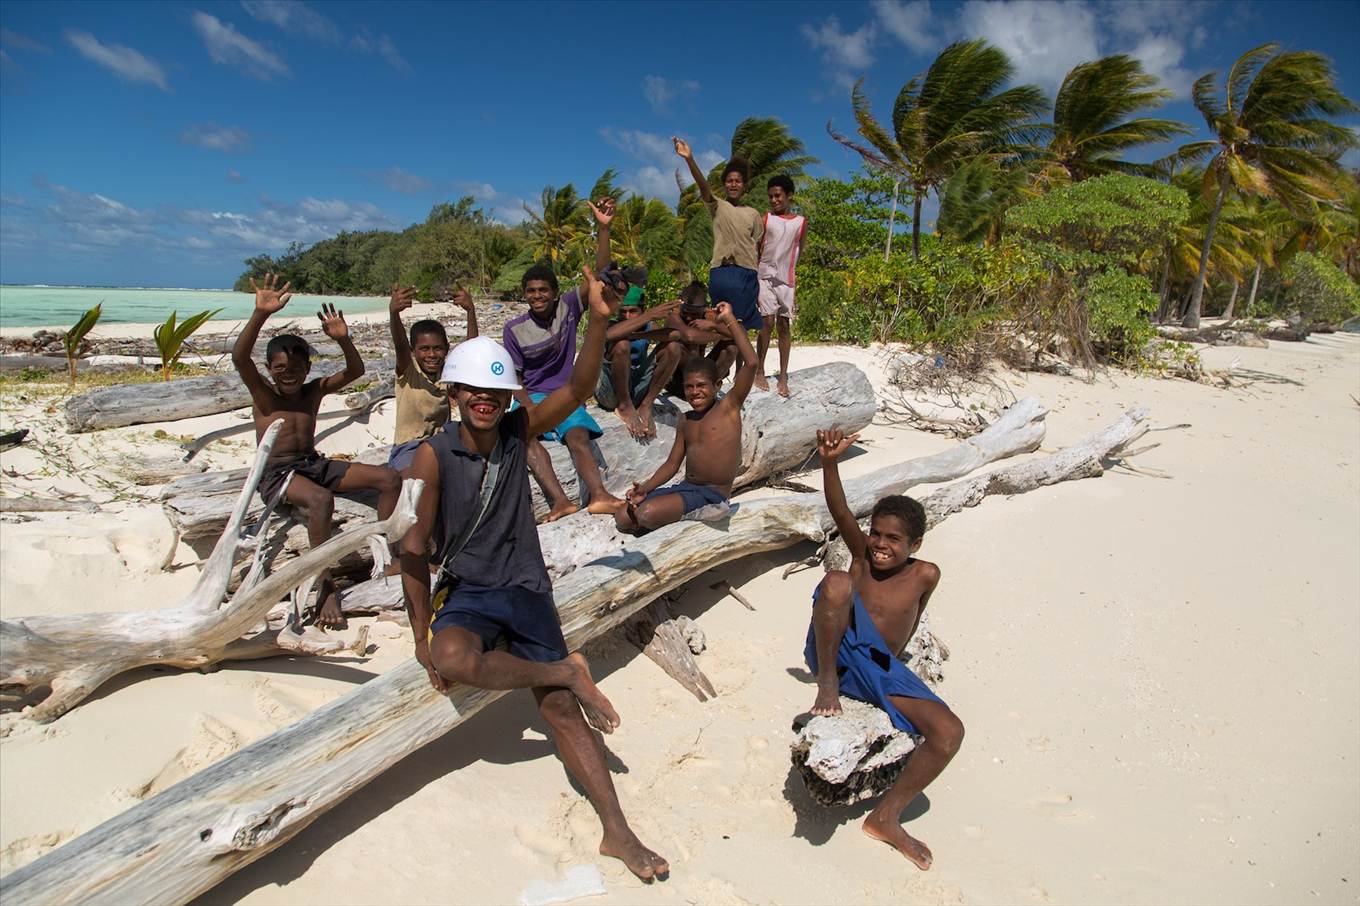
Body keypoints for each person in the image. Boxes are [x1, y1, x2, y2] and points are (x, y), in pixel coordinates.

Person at [400, 266, 669, 882]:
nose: (485, 401)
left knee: (560, 713)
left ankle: (617, 831)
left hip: (524, 585)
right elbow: (412, 552)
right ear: (455, 395)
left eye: (494, 393)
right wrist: (419, 635)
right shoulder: (432, 455)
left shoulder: (520, 433)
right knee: (452, 659)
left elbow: (575, 390)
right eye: (473, 392)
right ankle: (564, 669)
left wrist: (598, 321)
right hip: (469, 591)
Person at [804, 427, 963, 871]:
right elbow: (839, 512)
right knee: (836, 583)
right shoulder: (860, 559)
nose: (880, 545)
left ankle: (885, 818)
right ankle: (827, 685)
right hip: (837, 651)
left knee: (949, 732)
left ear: (915, 545)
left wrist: (895, 669)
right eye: (877, 534)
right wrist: (830, 463)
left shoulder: (926, 574)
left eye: (893, 539)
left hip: (879, 666)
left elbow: (912, 619)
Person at [232, 272, 402, 629]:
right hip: (277, 475)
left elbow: (355, 370)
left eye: (296, 369)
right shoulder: (265, 395)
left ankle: (389, 558)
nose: (288, 375)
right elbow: (239, 358)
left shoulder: (312, 391)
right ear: (269, 370)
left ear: (307, 368)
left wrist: (343, 339)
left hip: (311, 463)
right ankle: (325, 584)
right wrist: (260, 314)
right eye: (280, 369)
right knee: (322, 501)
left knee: (388, 479)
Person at [503, 198, 623, 515]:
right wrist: (529, 407)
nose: (537, 296)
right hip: (531, 396)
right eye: (531, 291)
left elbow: (600, 275)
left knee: (578, 435)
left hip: (567, 395)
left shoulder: (568, 307)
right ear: (524, 294)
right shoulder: (514, 330)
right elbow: (514, 379)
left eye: (543, 290)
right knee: (524, 436)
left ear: (555, 292)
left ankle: (598, 494)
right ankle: (561, 501)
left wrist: (603, 228)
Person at [605, 301, 756, 534]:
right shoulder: (686, 419)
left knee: (645, 514)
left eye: (701, 386)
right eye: (689, 387)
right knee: (623, 518)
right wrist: (644, 488)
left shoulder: (728, 407)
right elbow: (672, 464)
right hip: (687, 488)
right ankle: (672, 514)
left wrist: (729, 318)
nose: (694, 392)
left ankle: (691, 517)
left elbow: (752, 362)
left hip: (713, 495)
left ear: (717, 386)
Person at [673, 136, 765, 338]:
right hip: (721, 272)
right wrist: (689, 159)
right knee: (716, 325)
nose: (734, 184)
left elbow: (757, 244)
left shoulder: (753, 214)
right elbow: (703, 186)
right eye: (729, 181)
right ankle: (711, 368)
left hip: (747, 273)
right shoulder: (717, 206)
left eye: (738, 181)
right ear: (724, 185)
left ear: (744, 185)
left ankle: (744, 367)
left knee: (742, 328)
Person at [386, 283, 478, 472]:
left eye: (437, 348)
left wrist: (470, 311)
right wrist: (394, 314)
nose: (431, 355)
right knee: (414, 484)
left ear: (446, 349)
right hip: (409, 448)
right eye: (424, 349)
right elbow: (400, 346)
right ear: (413, 351)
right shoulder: (409, 372)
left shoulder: (446, 373)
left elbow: (471, 350)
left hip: (441, 443)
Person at [597, 286, 682, 439]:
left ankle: (646, 404)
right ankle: (624, 407)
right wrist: (647, 317)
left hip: (636, 388)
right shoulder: (612, 325)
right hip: (611, 392)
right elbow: (607, 335)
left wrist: (638, 333)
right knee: (621, 344)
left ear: (642, 309)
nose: (627, 316)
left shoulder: (648, 326)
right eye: (623, 311)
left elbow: (675, 335)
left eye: (633, 311)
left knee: (673, 348)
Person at [755, 174, 806, 397]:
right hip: (764, 275)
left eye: (778, 196)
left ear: (788, 196)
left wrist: (788, 269)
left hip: (787, 279)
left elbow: (799, 249)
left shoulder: (800, 222)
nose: (774, 200)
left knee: (784, 325)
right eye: (771, 197)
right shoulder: (766, 218)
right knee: (766, 321)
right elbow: (758, 246)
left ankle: (783, 375)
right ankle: (759, 369)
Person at [661, 282, 734, 393]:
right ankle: (690, 389)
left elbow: (740, 332)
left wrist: (714, 325)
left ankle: (710, 388)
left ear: (703, 309)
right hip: (679, 378)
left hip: (702, 373)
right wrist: (721, 334)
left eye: (694, 314)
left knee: (732, 347)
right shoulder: (673, 317)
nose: (689, 317)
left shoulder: (708, 316)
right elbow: (689, 337)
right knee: (681, 346)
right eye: (685, 313)